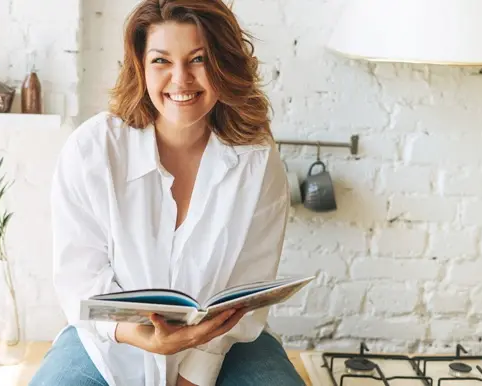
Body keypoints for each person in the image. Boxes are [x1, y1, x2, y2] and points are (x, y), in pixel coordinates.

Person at [29, 0, 304, 385]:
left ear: (223, 64)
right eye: (161, 61)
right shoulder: (92, 150)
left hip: (225, 339)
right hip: (111, 341)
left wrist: (194, 374)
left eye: (198, 59)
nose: (181, 80)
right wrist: (140, 336)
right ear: (140, 66)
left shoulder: (256, 160)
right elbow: (80, 278)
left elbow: (248, 285)